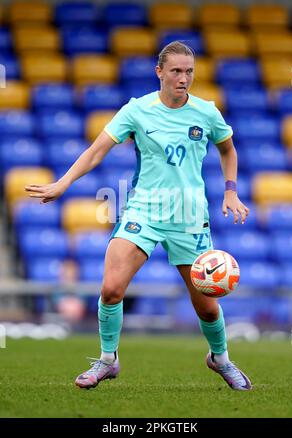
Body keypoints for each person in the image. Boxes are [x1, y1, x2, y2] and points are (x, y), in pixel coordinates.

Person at [25, 41, 252, 391]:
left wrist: (231, 190)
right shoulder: (137, 110)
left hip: (189, 217)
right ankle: (107, 360)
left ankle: (220, 358)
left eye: (189, 71)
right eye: (176, 71)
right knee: (112, 289)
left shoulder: (206, 112)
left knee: (207, 308)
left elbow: (228, 149)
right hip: (143, 210)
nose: (183, 78)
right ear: (159, 71)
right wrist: (63, 183)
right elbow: (96, 151)